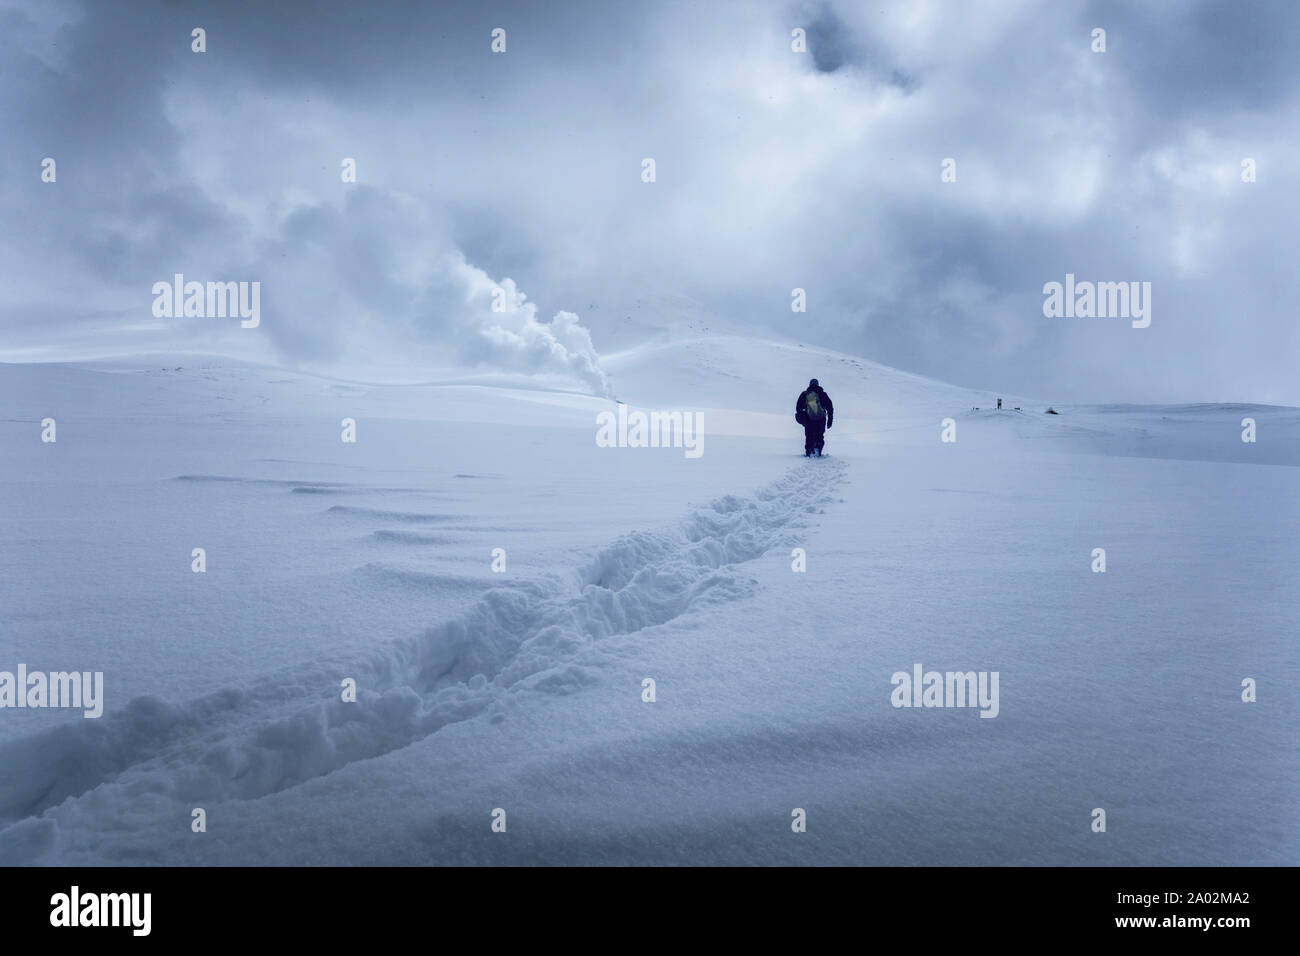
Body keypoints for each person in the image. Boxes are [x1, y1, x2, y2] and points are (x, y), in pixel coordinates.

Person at [795, 378, 833, 457]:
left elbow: (798, 407)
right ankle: (818, 449)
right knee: (820, 434)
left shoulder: (805, 394)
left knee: (809, 435)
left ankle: (809, 450)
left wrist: (802, 418)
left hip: (809, 418)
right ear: (817, 384)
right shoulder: (823, 394)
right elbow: (830, 407)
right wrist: (830, 420)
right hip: (821, 418)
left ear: (809, 384)